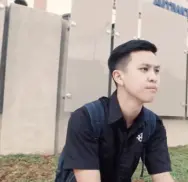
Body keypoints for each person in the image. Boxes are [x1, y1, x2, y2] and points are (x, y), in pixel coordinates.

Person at [62, 39, 175, 182]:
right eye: (144, 69)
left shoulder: (153, 124)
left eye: (156, 71)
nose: (154, 78)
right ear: (119, 77)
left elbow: (162, 176)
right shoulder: (86, 118)